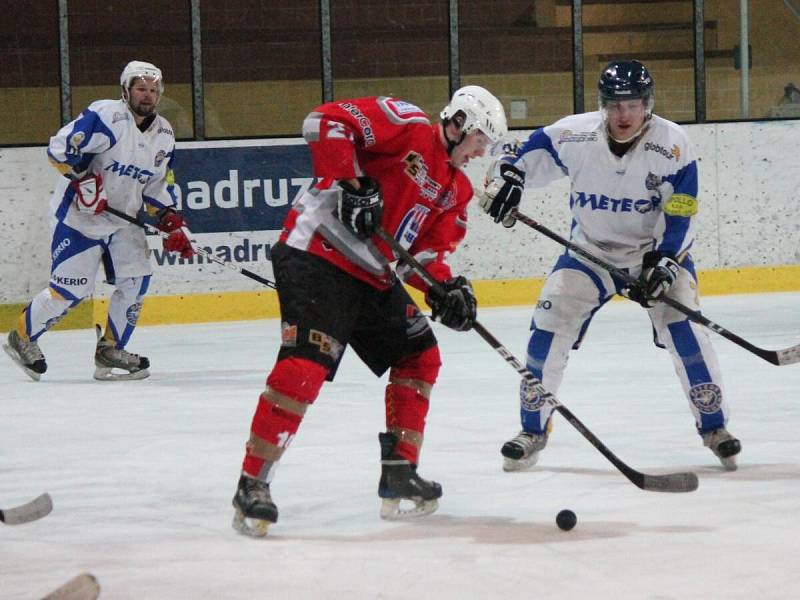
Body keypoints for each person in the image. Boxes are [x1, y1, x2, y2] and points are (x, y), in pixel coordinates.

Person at [232, 86, 508, 536]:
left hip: (372, 273)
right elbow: (322, 121)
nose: (481, 151)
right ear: (458, 124)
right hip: (316, 253)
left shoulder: (456, 190)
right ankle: (253, 483)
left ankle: (399, 470)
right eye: (480, 139)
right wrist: (353, 183)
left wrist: (445, 290)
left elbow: (423, 258)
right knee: (306, 364)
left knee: (420, 354)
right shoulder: (409, 125)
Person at [481, 60, 741, 472]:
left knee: (686, 330)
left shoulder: (673, 145)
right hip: (589, 255)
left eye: (633, 105)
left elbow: (682, 211)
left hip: (653, 256)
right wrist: (508, 179)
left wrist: (667, 261)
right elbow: (525, 153)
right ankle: (533, 429)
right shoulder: (575, 133)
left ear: (647, 105)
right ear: (603, 105)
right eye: (615, 105)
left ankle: (715, 427)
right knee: (548, 326)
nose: (623, 115)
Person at [2, 60, 195, 382]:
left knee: (135, 282)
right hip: (81, 217)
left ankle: (110, 349)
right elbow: (59, 149)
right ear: (126, 90)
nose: (147, 96)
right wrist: (81, 178)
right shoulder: (107, 115)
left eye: (153, 90)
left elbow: (156, 185)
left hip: (124, 220)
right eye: (140, 89)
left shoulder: (164, 133)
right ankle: (22, 338)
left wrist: (172, 220)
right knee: (68, 290)